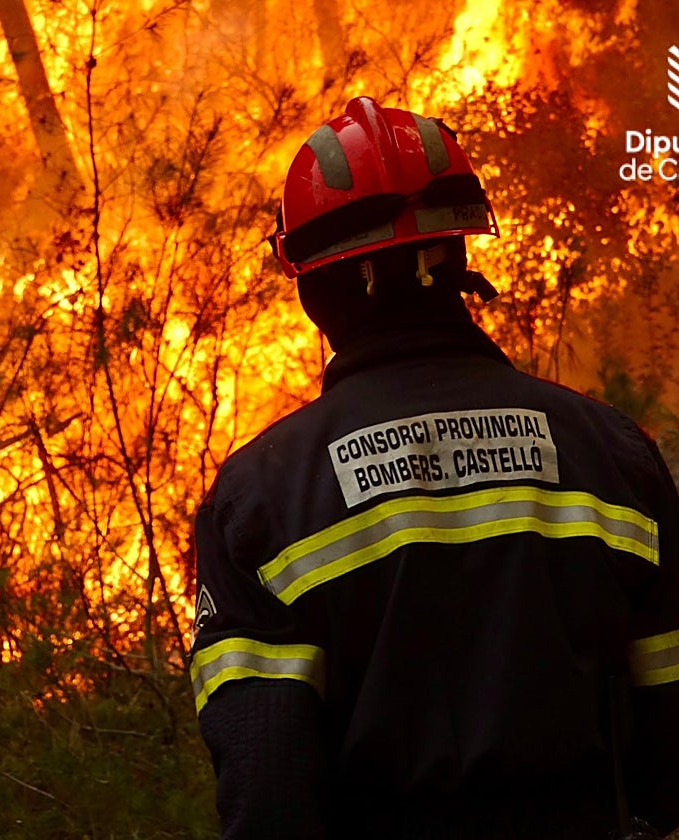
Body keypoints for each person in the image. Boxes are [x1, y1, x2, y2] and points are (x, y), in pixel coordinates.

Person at [188, 97, 679, 839]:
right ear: (460, 260)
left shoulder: (264, 496)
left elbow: (269, 784)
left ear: (312, 287)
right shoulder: (610, 453)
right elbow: (673, 738)